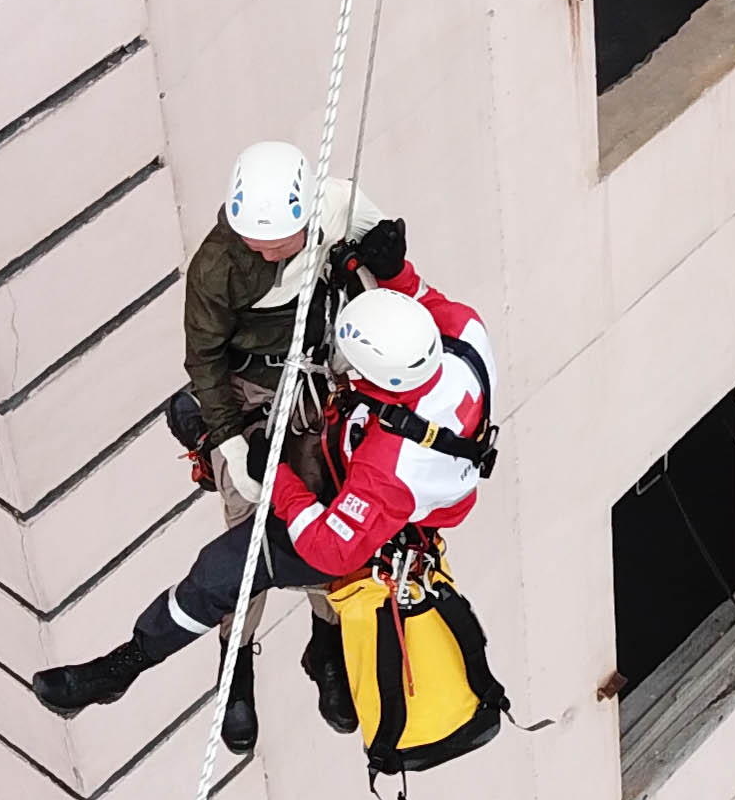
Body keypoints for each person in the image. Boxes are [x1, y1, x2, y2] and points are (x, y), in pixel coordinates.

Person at [30, 274, 494, 728]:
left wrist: (278, 481)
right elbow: (418, 295)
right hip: (370, 465)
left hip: (375, 529)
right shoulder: (460, 333)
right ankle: (215, 443)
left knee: (223, 571)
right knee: (240, 430)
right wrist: (392, 269)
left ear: (379, 379)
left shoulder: (391, 467)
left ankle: (122, 667)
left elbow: (328, 547)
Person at [164, 139, 407, 755]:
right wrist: (230, 441)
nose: (267, 250)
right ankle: (235, 662)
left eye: (278, 240)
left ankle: (327, 646)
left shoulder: (337, 208)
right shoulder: (219, 267)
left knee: (325, 528)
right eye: (257, 242)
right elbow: (206, 362)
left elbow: (382, 249)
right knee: (249, 536)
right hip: (249, 391)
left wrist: (379, 264)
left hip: (318, 381)